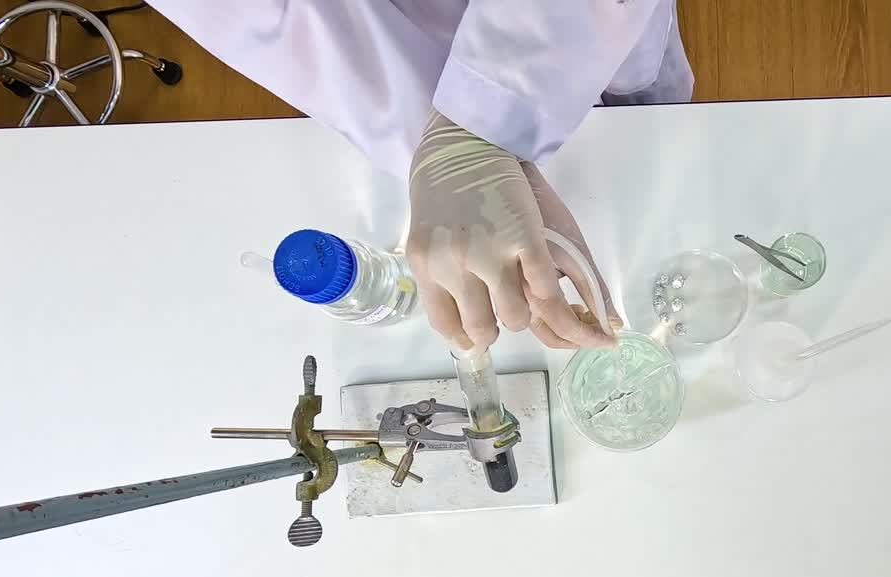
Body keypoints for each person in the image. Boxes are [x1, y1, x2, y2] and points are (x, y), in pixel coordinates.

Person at [148, 1, 694, 350]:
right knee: (629, 157)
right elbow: (278, 21)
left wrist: (476, 124)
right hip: (413, 82)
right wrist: (446, 150)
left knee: (645, 111)